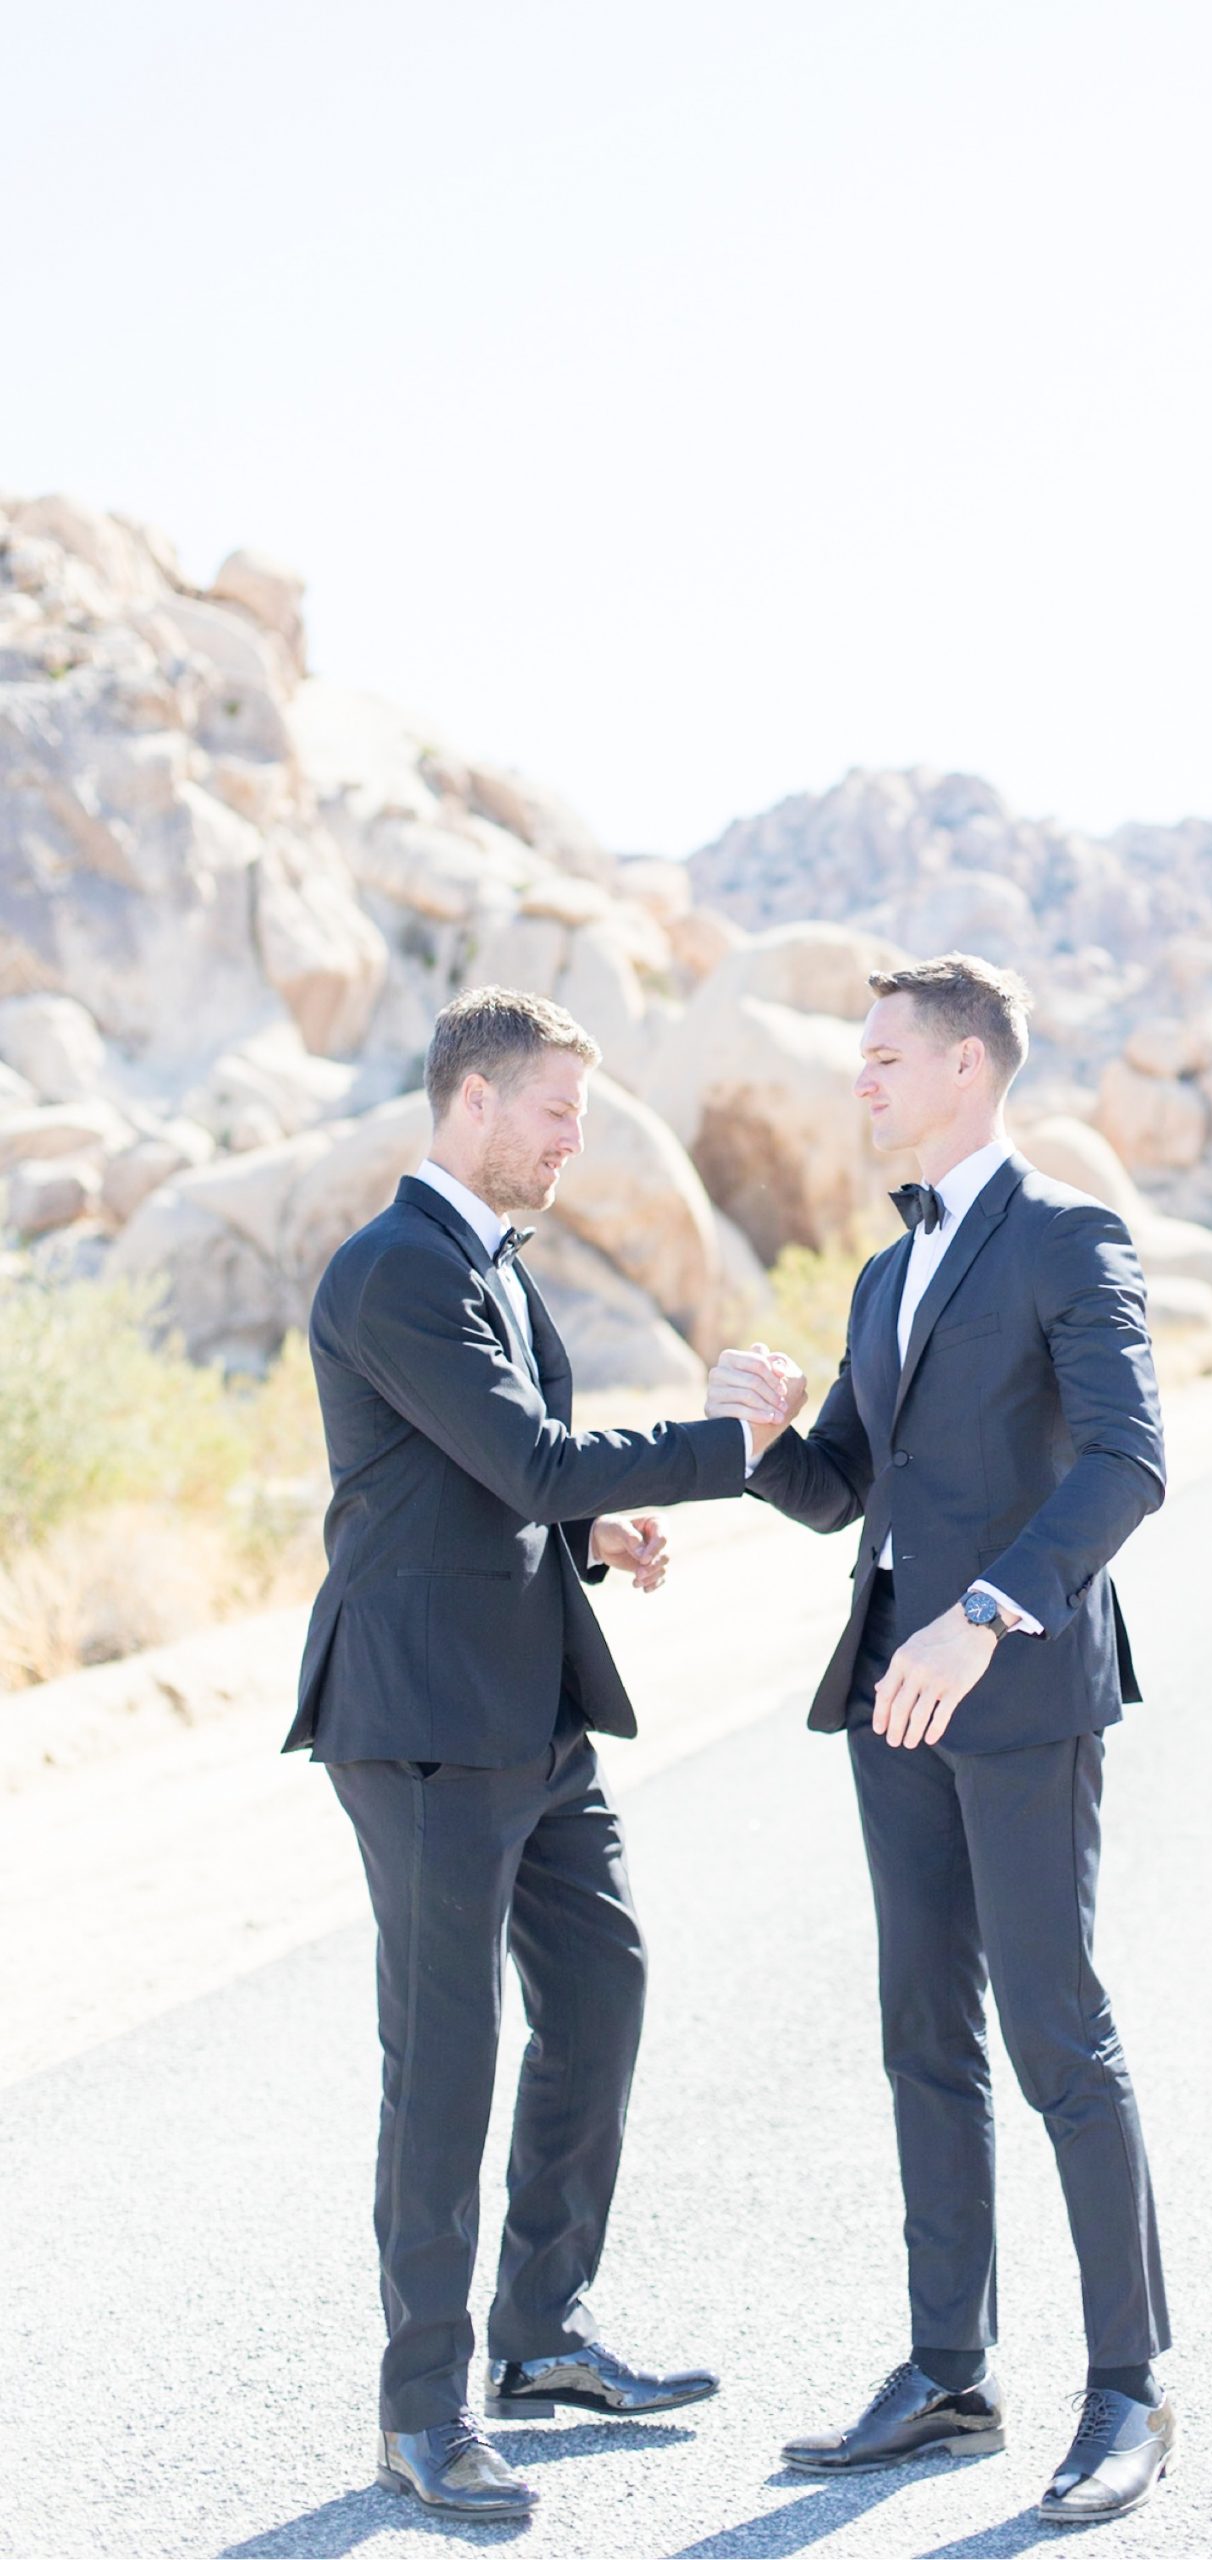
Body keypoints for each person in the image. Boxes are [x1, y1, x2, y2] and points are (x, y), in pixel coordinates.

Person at [709, 952, 1176, 2527]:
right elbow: (848, 1485)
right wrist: (768, 1439)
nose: (864, 1079)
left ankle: (1127, 2390)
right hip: (889, 1703)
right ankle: (949, 2372)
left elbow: (1126, 1462)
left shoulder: (1069, 1236)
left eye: (887, 1055)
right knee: (924, 2033)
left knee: (1055, 2027)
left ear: (971, 1067)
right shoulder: (882, 1271)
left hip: (1015, 1686)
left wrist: (985, 1613)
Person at [287, 985, 749, 2523]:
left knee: (601, 1990)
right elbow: (527, 1458)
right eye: (554, 1111)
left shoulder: (487, 1263)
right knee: (445, 2062)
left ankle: (542, 2337)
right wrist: (717, 1447)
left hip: (531, 1710)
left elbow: (495, 1483)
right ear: (471, 1103)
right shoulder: (392, 1269)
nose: (571, 1142)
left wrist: (593, 1533)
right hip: (422, 1722)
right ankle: (418, 2414)